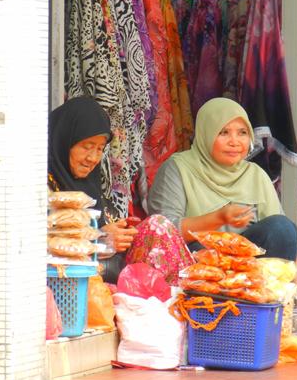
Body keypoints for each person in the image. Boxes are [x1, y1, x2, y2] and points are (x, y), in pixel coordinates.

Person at [148, 97, 297, 334]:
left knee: (282, 228)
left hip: (247, 275)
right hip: (199, 269)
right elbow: (161, 233)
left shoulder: (256, 175)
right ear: (206, 133)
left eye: (242, 133)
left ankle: (260, 317)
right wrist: (219, 218)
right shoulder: (178, 168)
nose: (235, 142)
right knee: (191, 246)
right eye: (224, 132)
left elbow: (287, 243)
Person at [48, 96, 194, 284]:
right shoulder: (37, 185)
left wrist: (120, 233)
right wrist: (100, 240)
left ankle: (183, 299)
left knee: (156, 228)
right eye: (86, 147)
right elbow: (45, 245)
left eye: (100, 149)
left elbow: (100, 229)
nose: (93, 158)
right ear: (64, 141)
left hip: (100, 273)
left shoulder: (89, 183)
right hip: (64, 282)